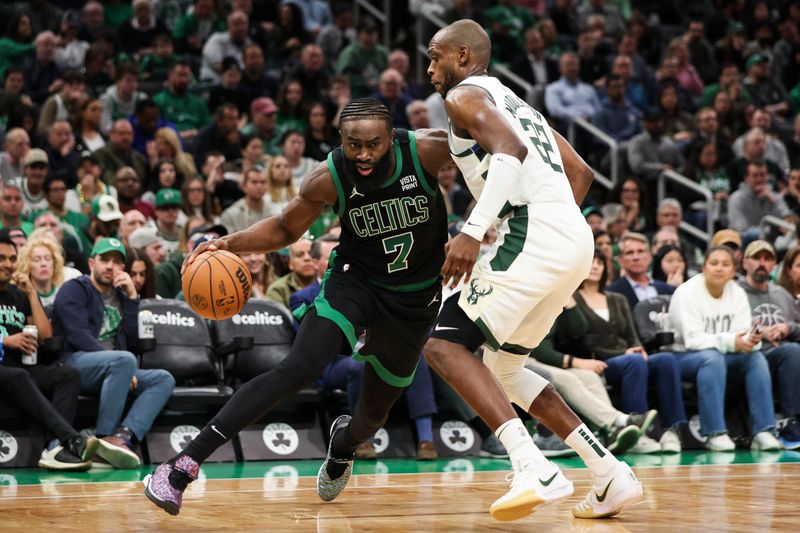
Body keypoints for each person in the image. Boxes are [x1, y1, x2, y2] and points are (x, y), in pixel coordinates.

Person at [143, 99, 452, 516]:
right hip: (355, 282)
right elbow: (287, 228)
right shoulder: (329, 175)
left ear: (392, 139)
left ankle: (342, 445)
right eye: (352, 144)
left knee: (371, 418)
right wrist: (227, 242)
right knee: (299, 367)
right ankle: (182, 466)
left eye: (374, 145)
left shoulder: (429, 150)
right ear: (340, 139)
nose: (362, 154)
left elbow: (499, 162)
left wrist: (474, 230)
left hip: (416, 301)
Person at [422, 20, 641, 522]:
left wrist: (476, 231)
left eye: (435, 56)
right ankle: (608, 471)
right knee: (505, 367)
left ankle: (531, 466)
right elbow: (581, 174)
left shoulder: (464, 96)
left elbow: (510, 154)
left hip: (535, 234)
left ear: (463, 55)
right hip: (574, 239)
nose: (430, 67)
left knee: (442, 344)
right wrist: (543, 225)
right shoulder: (520, 106)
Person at [53, 238, 175, 468]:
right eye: (104, 260)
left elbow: (132, 341)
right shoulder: (74, 289)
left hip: (117, 368)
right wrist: (122, 365)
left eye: (117, 262)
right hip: (74, 363)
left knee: (163, 378)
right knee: (124, 360)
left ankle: (122, 437)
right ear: (91, 263)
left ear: (122, 269)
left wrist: (131, 299)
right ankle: (103, 438)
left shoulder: (121, 296)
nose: (110, 266)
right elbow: (78, 336)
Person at [0, 231, 99, 471]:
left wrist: (32, 292)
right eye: (2, 258)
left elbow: (45, 335)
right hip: (7, 370)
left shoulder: (19, 294)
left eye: (12, 259)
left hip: (19, 368)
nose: (8, 264)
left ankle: (55, 449)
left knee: (68, 374)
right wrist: (5, 341)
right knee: (20, 376)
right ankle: (71, 438)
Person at [668, 245, 782, 452]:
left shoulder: (737, 293)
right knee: (712, 358)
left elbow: (742, 333)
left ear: (733, 270)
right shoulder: (687, 292)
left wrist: (750, 340)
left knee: (755, 358)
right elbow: (693, 340)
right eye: (714, 263)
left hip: (722, 355)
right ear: (703, 267)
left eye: (725, 264)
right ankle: (715, 432)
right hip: (682, 355)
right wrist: (733, 342)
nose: (719, 268)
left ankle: (763, 431)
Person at [574, 250, 687, 453]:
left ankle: (672, 430)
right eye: (591, 262)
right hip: (599, 362)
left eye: (599, 262)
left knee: (666, 360)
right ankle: (638, 433)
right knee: (634, 362)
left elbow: (631, 335)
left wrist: (638, 348)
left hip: (626, 357)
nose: (595, 266)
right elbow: (581, 341)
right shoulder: (573, 299)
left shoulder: (617, 298)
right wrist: (625, 354)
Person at [737, 240, 800, 449]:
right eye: (756, 258)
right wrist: (757, 331)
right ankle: (789, 422)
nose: (761, 263)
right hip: (749, 355)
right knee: (791, 351)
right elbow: (726, 328)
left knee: (791, 350)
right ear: (745, 262)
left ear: (774, 265)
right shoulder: (735, 292)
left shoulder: (782, 294)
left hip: (781, 355)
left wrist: (787, 328)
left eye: (767, 259)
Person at [606, 232, 676, 311]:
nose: (636, 257)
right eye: (629, 253)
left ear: (649, 257)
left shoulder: (669, 290)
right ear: (620, 261)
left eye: (640, 251)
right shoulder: (611, 293)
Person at [15, 234, 66, 308]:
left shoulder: (64, 292)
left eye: (47, 259)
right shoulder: (21, 297)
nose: (43, 264)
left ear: (55, 263)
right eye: (36, 260)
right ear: (27, 265)